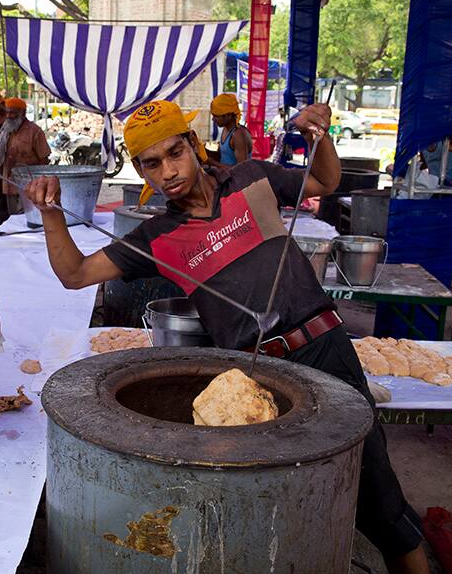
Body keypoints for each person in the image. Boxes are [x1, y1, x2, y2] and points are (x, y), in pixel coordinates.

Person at [23, 99, 430, 574]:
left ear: (195, 145)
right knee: (276, 500)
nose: (168, 172)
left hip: (324, 348)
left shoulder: (254, 178)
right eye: (151, 164)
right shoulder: (158, 236)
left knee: (377, 493)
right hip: (257, 376)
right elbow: (75, 273)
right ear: (139, 170)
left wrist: (320, 134)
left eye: (175, 153)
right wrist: (50, 211)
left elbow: (325, 182)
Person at [0, 97, 51, 214]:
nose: (9, 116)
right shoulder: (6, 130)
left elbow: (44, 159)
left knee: (27, 220)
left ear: (23, 113)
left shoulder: (35, 131)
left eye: (12, 113)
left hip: (28, 187)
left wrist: (39, 184)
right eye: (7, 112)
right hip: (9, 185)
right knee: (13, 219)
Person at [210, 93, 253, 166]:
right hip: (225, 175)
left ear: (228, 115)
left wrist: (214, 163)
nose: (213, 119)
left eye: (216, 116)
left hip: (237, 177)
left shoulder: (239, 135)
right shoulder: (225, 129)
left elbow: (242, 168)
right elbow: (223, 156)